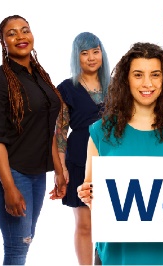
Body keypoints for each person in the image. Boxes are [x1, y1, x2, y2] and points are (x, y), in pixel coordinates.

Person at [76, 42, 163, 265]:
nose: (147, 83)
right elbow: (94, 192)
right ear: (126, 79)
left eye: (155, 74)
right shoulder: (101, 132)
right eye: (138, 75)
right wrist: (88, 195)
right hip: (116, 254)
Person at [0, 15, 67, 265]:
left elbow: (46, 127)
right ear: (2, 42)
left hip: (37, 170)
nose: (20, 36)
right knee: (18, 245)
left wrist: (59, 171)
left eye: (25, 30)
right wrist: (8, 187)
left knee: (26, 239)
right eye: (12, 33)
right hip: (10, 169)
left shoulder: (39, 76)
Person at [53, 32, 110, 265]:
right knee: (85, 223)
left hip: (112, 159)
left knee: (111, 222)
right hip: (79, 160)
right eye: (84, 53)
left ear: (102, 54)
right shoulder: (66, 88)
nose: (91, 58)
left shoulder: (115, 86)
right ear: (76, 57)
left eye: (95, 51)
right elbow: (60, 133)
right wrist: (61, 168)